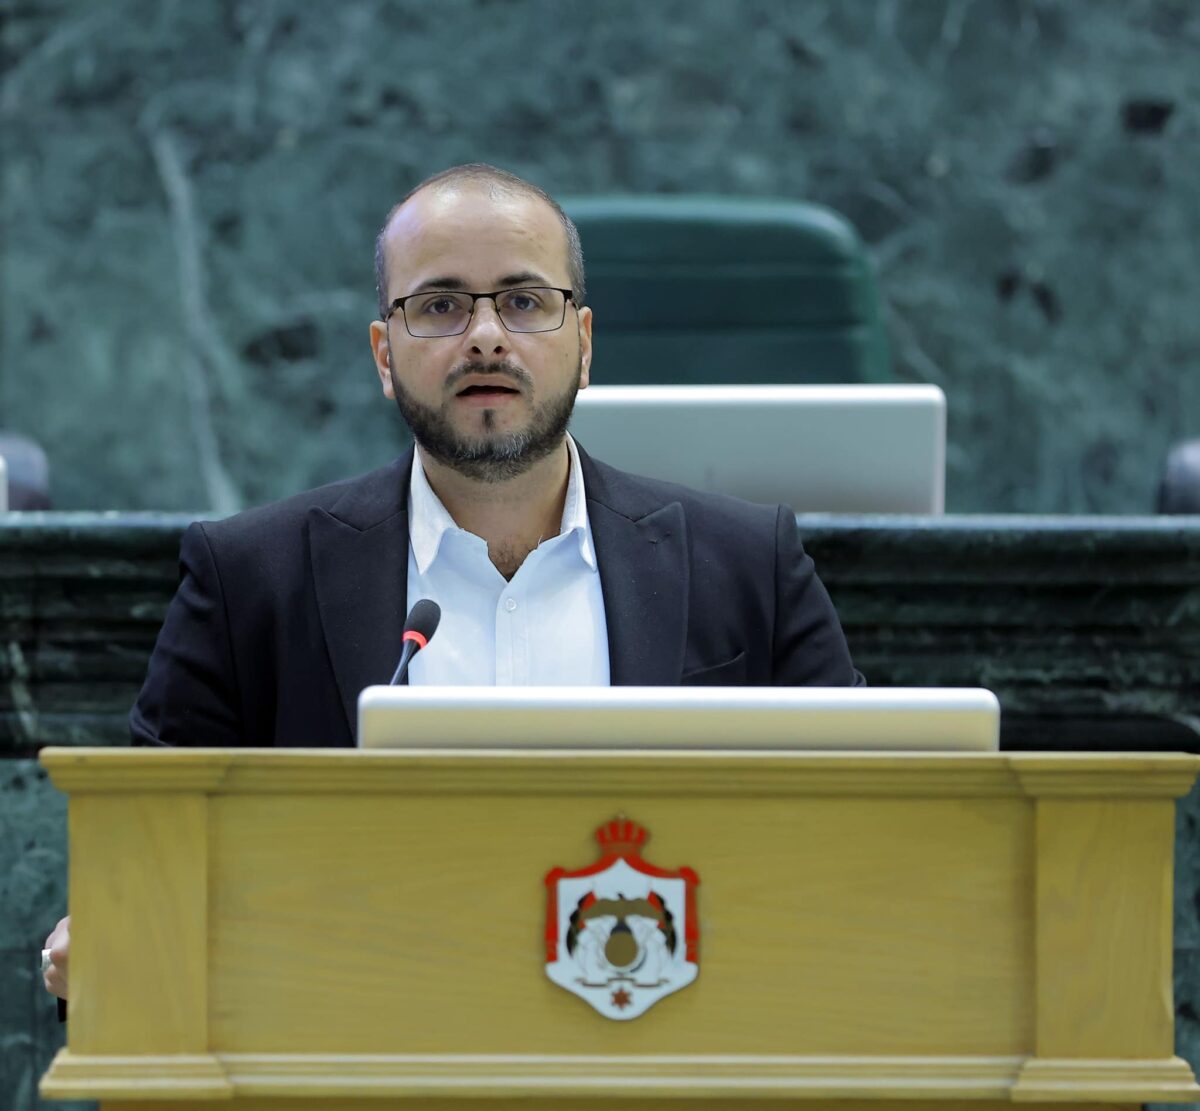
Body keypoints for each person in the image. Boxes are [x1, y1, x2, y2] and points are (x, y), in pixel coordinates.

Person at [43, 163, 862, 1002]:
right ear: (384, 355)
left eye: (524, 300)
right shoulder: (252, 578)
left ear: (584, 343)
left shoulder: (747, 565)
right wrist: (111, 932)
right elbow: (148, 861)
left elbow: (864, 834)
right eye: (439, 306)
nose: (486, 337)